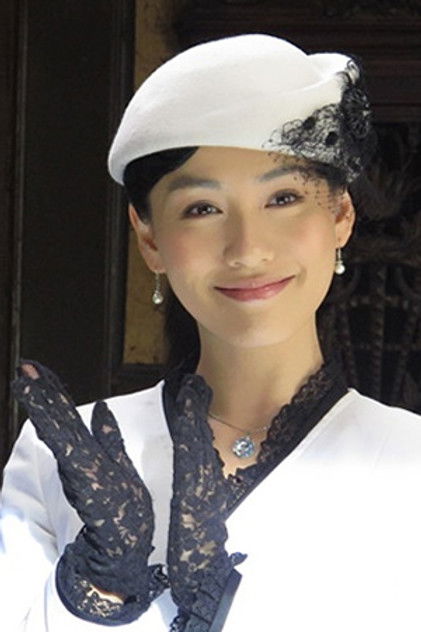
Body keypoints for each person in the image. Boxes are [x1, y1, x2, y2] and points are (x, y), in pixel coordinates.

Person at [1, 33, 421, 632]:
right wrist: (96, 589)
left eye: (283, 197)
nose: (247, 249)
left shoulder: (411, 462)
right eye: (202, 208)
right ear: (150, 238)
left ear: (340, 215)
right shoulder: (58, 462)